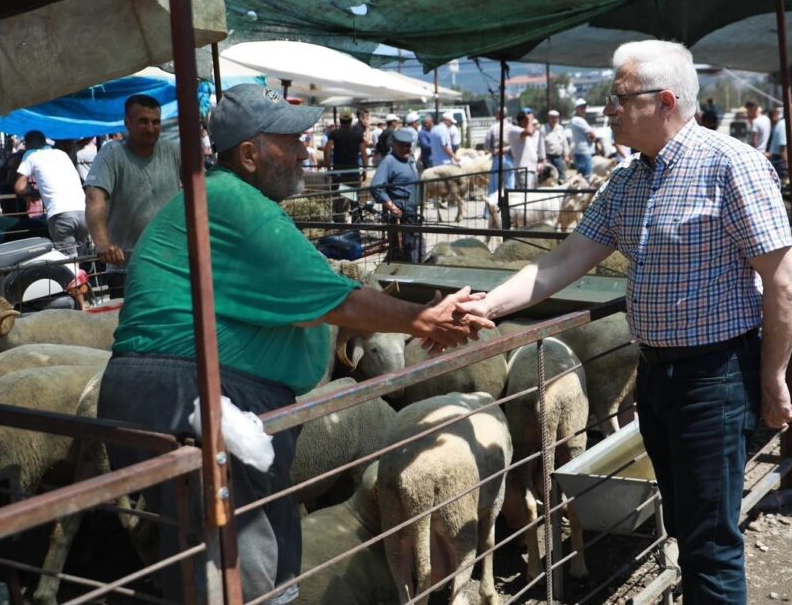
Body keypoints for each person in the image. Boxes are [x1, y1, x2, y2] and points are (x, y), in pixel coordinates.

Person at [97, 84, 493, 603]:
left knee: (202, 557)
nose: (305, 151)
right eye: (291, 140)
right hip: (194, 399)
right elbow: (335, 298)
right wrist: (424, 319)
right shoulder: (237, 203)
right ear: (250, 154)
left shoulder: (207, 198)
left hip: (164, 393)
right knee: (249, 565)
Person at [457, 40, 792, 603]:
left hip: (714, 377)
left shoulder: (730, 165)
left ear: (665, 101)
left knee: (710, 543)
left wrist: (773, 379)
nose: (607, 110)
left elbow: (785, 280)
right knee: (688, 529)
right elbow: (564, 260)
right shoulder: (628, 180)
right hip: (657, 376)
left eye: (619, 97)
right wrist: (486, 306)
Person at [85, 94, 181, 298]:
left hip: (170, 264)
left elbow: (199, 188)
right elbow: (95, 198)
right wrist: (103, 244)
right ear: (127, 123)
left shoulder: (172, 151)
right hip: (125, 268)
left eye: (156, 122)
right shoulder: (112, 153)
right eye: (143, 121)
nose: (151, 128)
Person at [14, 131, 89, 254]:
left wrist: (33, 192)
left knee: (69, 264)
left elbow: (20, 187)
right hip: (84, 212)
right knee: (80, 259)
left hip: (61, 214)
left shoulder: (31, 154)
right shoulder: (61, 154)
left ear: (27, 145)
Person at [370, 128, 422, 262]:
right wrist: (392, 206)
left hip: (412, 210)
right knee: (402, 247)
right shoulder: (389, 161)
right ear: (393, 145)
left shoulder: (410, 160)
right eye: (402, 145)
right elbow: (376, 187)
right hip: (399, 212)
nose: (406, 148)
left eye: (408, 145)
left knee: (412, 244)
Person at [506, 110, 546, 188]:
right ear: (522, 120)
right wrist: (530, 119)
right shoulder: (514, 130)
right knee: (526, 197)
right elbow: (530, 132)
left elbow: (533, 132)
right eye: (528, 121)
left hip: (531, 169)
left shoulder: (524, 133)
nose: (530, 124)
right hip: (523, 170)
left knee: (532, 197)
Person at [570, 98, 596, 176]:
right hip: (584, 153)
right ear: (576, 109)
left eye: (584, 107)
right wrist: (592, 139)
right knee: (588, 177)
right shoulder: (578, 120)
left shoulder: (575, 119)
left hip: (580, 152)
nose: (584, 109)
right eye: (581, 107)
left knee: (581, 178)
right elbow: (593, 134)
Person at [543, 109, 569, 181]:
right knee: (549, 177)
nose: (554, 119)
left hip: (558, 156)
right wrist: (543, 158)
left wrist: (566, 155)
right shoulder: (544, 129)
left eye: (556, 117)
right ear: (549, 118)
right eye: (552, 117)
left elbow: (564, 142)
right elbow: (541, 145)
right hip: (548, 157)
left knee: (561, 175)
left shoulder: (560, 128)